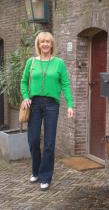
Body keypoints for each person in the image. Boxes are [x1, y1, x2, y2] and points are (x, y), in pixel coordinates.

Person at [20, 31, 73, 191]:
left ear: (51, 45)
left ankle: (45, 176)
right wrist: (26, 96)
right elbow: (23, 82)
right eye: (42, 42)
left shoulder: (59, 63)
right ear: (38, 44)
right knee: (34, 140)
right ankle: (35, 170)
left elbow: (65, 84)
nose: (45, 44)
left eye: (48, 42)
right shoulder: (31, 62)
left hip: (52, 105)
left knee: (49, 143)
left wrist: (70, 104)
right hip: (34, 104)